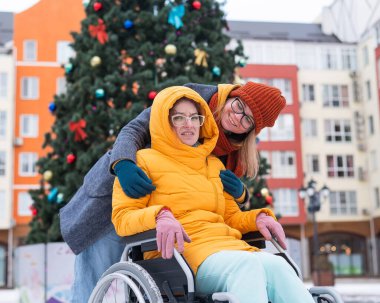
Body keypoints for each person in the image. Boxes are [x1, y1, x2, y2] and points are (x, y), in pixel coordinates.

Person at [60, 81, 286, 302]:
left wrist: (242, 194)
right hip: (120, 194)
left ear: (252, 131)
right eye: (239, 106)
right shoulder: (190, 99)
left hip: (169, 222)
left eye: (248, 120)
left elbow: (219, 200)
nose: (238, 117)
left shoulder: (231, 146)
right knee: (91, 284)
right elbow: (135, 129)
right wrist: (123, 164)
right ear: (234, 94)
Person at [111, 86, 314, 303]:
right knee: (246, 266)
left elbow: (231, 218)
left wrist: (258, 218)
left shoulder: (215, 165)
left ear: (203, 122)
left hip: (228, 248)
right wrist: (158, 216)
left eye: (194, 118)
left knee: (278, 266)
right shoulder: (143, 161)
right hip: (181, 257)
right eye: (179, 118)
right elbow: (122, 218)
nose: (189, 124)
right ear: (164, 121)